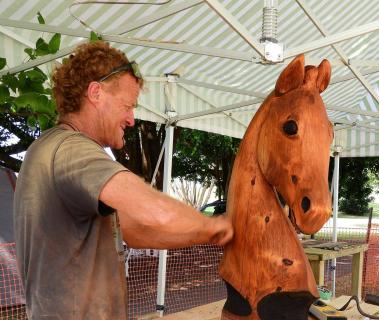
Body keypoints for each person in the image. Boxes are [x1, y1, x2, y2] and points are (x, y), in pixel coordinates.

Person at [13, 41, 233, 320]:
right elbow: (154, 211)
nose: (131, 119)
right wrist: (217, 225)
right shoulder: (70, 149)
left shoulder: (55, 152)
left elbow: (137, 230)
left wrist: (210, 234)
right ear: (96, 93)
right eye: (128, 106)